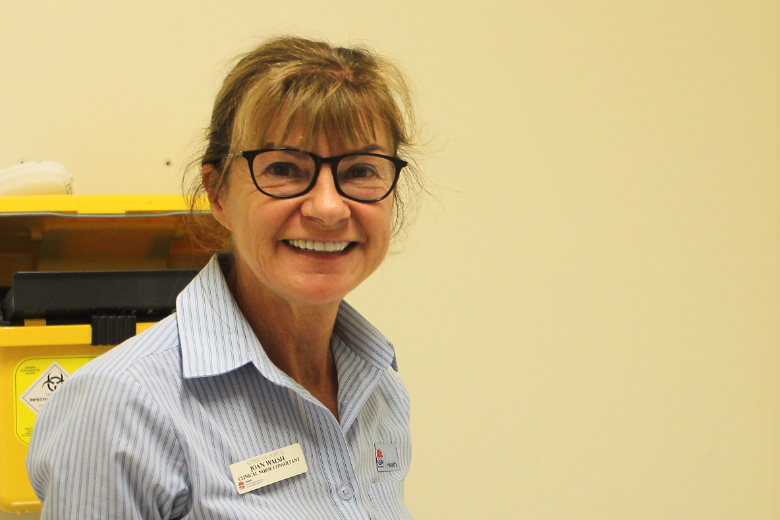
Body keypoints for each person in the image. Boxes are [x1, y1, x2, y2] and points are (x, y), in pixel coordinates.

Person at [27, 36, 421, 520]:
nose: (328, 208)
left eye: (360, 170)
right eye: (283, 169)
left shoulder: (378, 387)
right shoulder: (121, 404)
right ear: (217, 193)